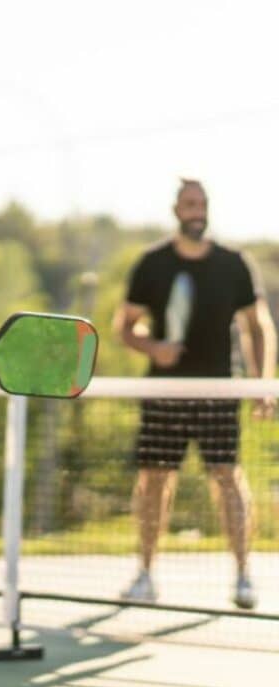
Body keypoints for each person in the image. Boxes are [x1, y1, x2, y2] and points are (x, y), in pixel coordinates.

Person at [115, 179, 276, 610]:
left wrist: (262, 383)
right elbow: (124, 326)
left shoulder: (233, 264)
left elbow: (258, 327)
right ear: (176, 210)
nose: (197, 211)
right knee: (153, 480)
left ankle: (243, 577)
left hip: (218, 391)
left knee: (228, 478)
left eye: (202, 204)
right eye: (189, 204)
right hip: (164, 391)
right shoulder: (152, 264)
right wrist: (154, 347)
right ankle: (145, 574)